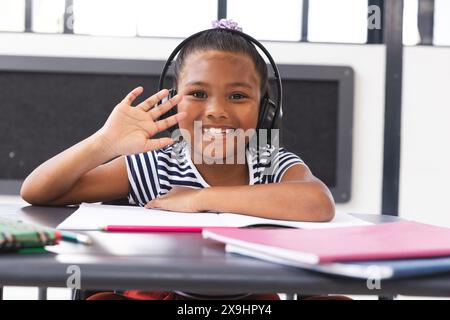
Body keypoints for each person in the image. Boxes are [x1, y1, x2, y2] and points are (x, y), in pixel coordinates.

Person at [20, 20, 338, 300]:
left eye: (238, 96)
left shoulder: (267, 158)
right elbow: (37, 191)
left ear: (266, 110)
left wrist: (198, 199)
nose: (216, 110)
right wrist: (104, 142)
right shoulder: (157, 164)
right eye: (198, 94)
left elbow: (318, 203)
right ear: (174, 102)